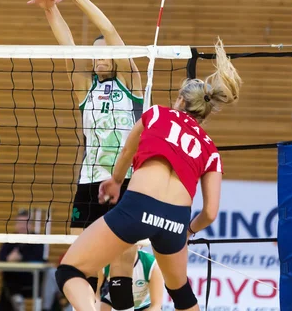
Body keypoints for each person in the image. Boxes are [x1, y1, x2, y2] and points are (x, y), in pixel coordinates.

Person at [54, 38, 242, 311]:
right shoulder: (211, 149)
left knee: (69, 271)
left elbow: (128, 151)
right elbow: (211, 213)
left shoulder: (156, 115)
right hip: (176, 221)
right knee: (182, 295)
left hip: (139, 208)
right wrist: (188, 230)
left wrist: (116, 182)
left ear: (180, 99)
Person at [28, 0, 143, 310]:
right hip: (89, 182)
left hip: (127, 182)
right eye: (95, 53)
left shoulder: (131, 82)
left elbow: (111, 33)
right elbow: (68, 47)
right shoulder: (85, 87)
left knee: (120, 270)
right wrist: (51, 10)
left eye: (105, 52)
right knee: (81, 269)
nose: (100, 56)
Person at [0, 209, 46, 311]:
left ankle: (18, 300)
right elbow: (0, 258)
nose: (23, 226)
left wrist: (20, 258)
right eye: (20, 222)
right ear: (15, 225)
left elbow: (38, 259)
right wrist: (8, 259)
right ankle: (16, 299)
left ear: (31, 225)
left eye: (26, 223)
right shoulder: (10, 239)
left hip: (31, 279)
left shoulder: (37, 239)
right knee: (8, 278)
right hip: (13, 281)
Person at [100, 247, 164, 311]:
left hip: (144, 305)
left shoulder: (151, 264)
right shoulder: (105, 262)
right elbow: (95, 295)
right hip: (113, 302)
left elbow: (156, 305)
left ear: (140, 245)